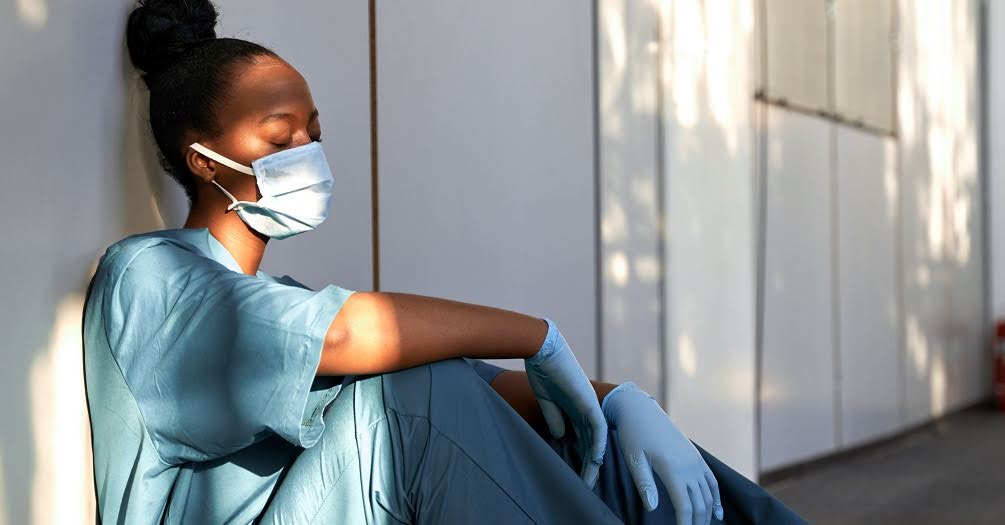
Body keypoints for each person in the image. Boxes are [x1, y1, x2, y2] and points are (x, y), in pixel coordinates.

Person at [82, 1, 809, 523]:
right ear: (202, 161)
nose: (307, 152)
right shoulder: (149, 273)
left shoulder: (280, 297)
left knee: (594, 432)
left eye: (313, 132)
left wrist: (617, 400)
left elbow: (480, 385)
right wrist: (537, 334)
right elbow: (345, 338)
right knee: (408, 398)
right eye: (280, 138)